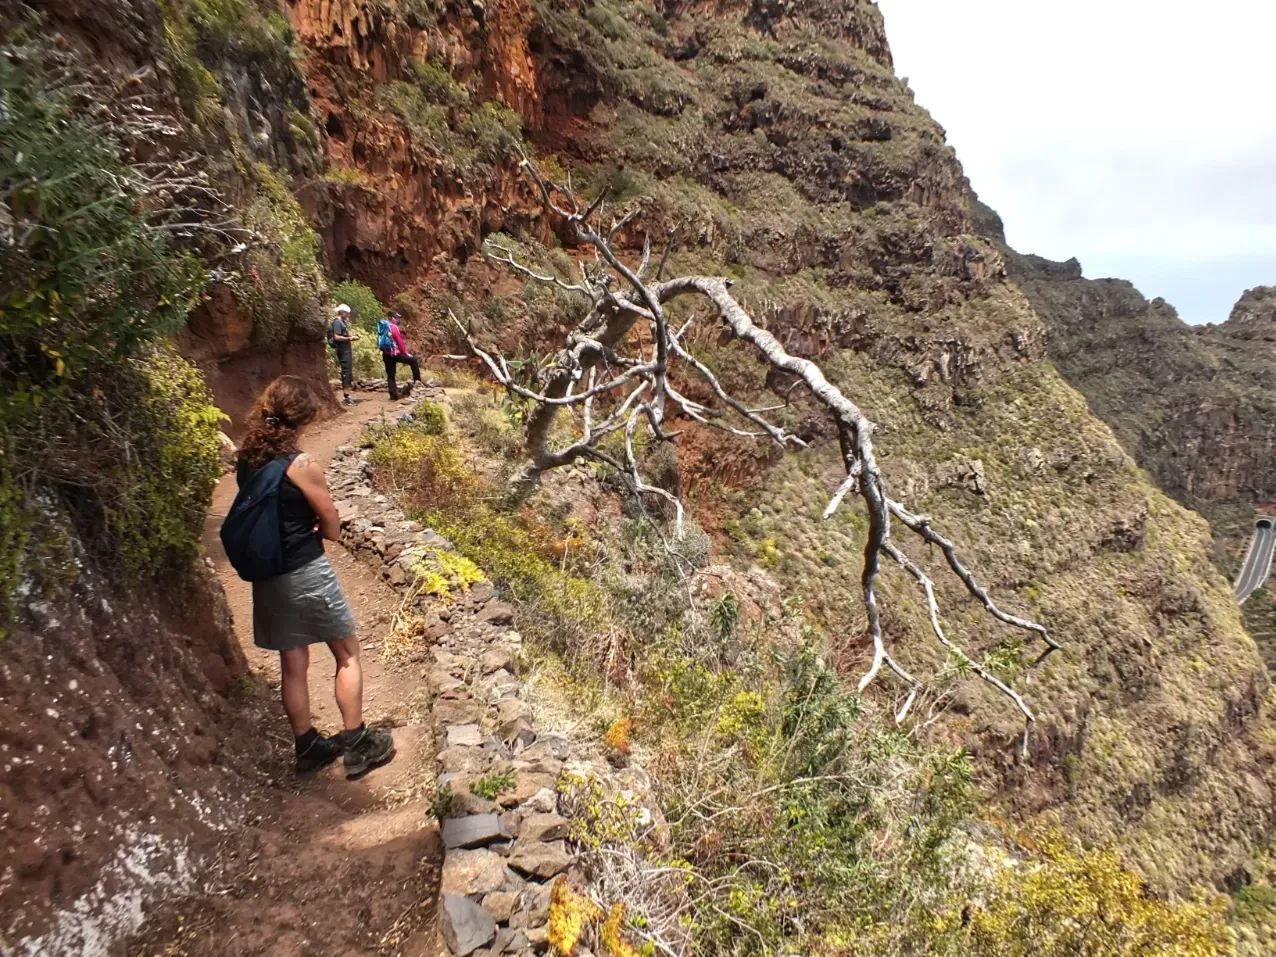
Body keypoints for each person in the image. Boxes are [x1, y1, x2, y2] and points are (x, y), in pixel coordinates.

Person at [234, 376, 395, 777]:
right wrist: (322, 531)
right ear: (302, 419)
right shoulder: (302, 465)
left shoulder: (246, 459)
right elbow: (330, 523)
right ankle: (356, 742)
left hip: (269, 574)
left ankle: (307, 746)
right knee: (347, 653)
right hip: (305, 570)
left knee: (292, 661)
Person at [378, 310, 421, 401]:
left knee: (390, 375)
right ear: (391, 318)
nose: (397, 319)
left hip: (386, 354)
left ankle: (393, 396)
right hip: (395, 353)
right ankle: (418, 383)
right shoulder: (394, 327)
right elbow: (400, 342)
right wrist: (405, 352)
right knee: (413, 361)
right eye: (396, 317)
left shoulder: (383, 326)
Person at [327, 304, 360, 407]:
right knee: (346, 372)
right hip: (343, 350)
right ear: (342, 312)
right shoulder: (337, 322)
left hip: (345, 350)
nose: (348, 315)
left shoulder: (341, 322)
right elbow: (336, 337)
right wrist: (350, 338)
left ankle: (347, 396)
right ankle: (347, 397)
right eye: (347, 313)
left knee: (348, 372)